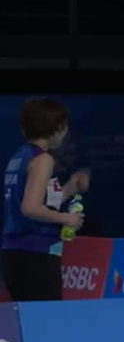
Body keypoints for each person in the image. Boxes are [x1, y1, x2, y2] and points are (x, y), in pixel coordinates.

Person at [1, 97, 89, 301]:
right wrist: (66, 219)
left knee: (27, 324)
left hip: (14, 253)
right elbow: (30, 208)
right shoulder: (43, 160)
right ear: (58, 126)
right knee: (46, 325)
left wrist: (69, 189)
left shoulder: (19, 156)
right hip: (36, 253)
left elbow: (40, 200)